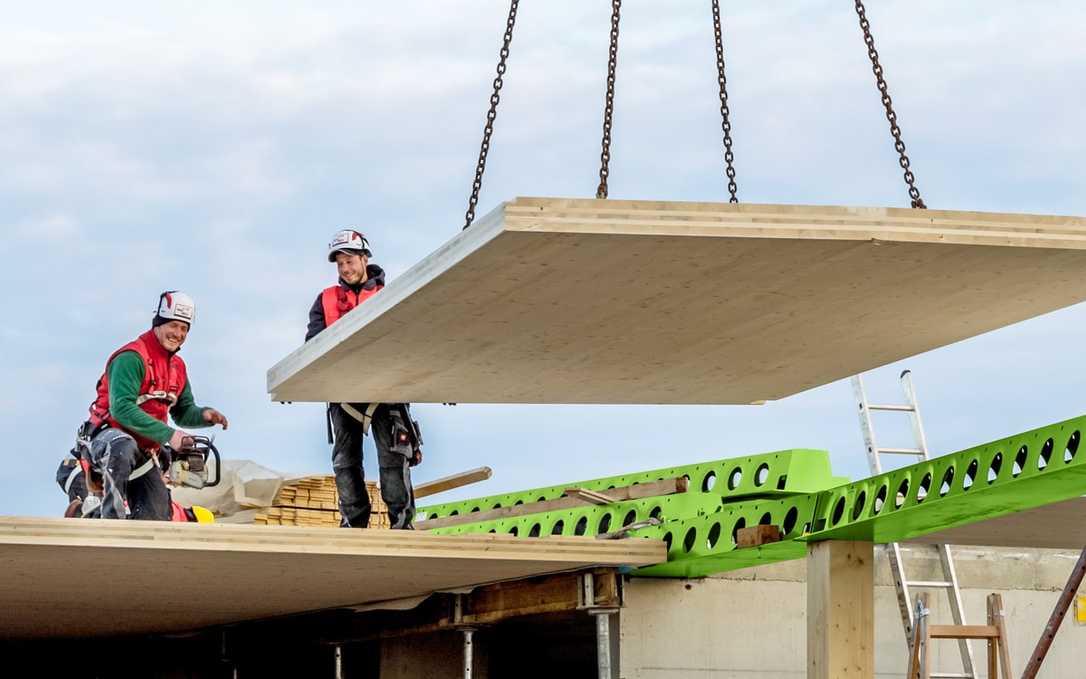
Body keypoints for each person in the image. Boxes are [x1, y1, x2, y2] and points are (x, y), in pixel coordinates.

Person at [70, 291, 229, 520]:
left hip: (144, 450)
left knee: (154, 518)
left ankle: (89, 518)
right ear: (158, 324)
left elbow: (183, 412)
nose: (178, 334)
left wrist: (204, 415)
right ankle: (110, 522)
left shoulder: (177, 367)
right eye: (173, 326)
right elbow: (121, 409)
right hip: (106, 440)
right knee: (122, 446)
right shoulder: (131, 358)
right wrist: (170, 435)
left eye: (184, 329)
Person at [305, 229, 421, 530]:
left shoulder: (389, 296)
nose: (345, 268)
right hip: (343, 393)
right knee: (345, 463)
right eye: (340, 263)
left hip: (385, 391)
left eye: (350, 261)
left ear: (365, 258)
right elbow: (313, 344)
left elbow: (406, 342)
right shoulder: (326, 301)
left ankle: (401, 526)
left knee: (393, 460)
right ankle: (353, 526)